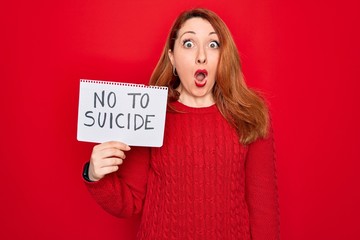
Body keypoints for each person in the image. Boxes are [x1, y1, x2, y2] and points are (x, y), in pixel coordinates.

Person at [82, 8, 280, 239]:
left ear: (223, 56)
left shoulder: (250, 115)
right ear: (172, 57)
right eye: (189, 43)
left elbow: (264, 212)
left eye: (213, 44)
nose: (201, 55)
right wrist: (94, 174)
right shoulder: (150, 114)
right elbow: (129, 204)